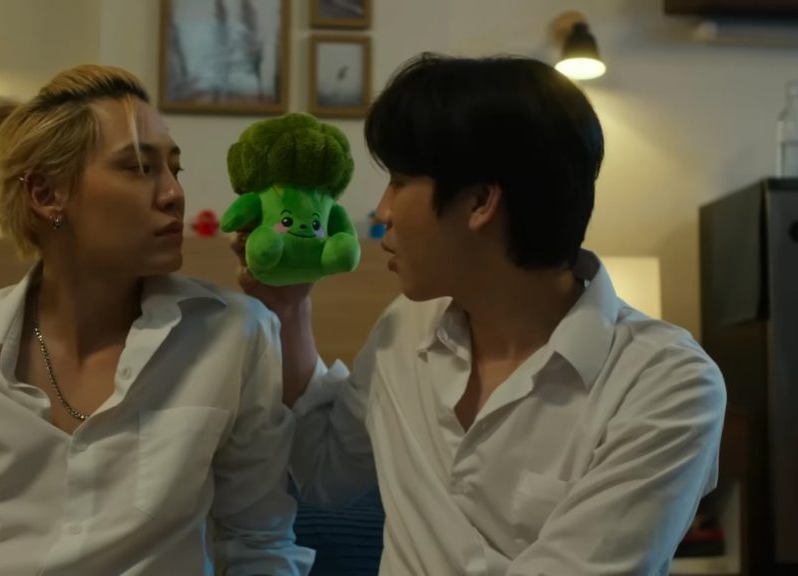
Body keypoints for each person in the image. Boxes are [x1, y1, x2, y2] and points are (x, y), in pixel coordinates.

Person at [233, 54, 727, 575]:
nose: (382, 211)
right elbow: (325, 472)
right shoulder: (405, 328)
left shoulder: (666, 384)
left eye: (399, 180)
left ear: (480, 202)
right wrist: (288, 306)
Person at [0, 64, 313, 576]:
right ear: (46, 195)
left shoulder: (233, 334)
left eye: (174, 169)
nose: (174, 194)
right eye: (139, 168)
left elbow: (260, 542)